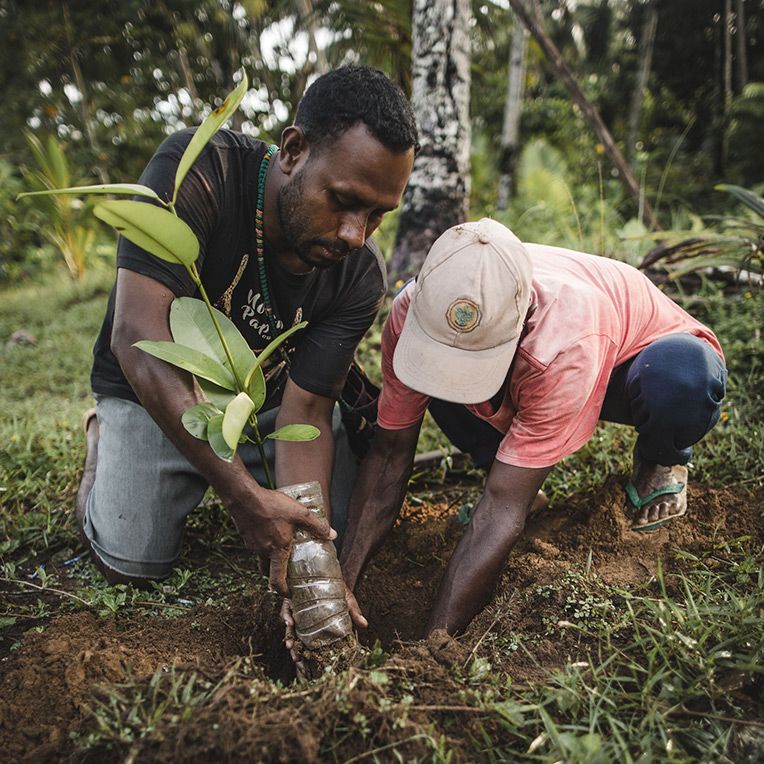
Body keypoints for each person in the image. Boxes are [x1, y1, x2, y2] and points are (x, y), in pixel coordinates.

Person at [75, 66, 418, 596]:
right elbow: (134, 334)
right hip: (154, 390)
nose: (355, 234)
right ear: (293, 149)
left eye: (377, 214)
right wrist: (241, 496)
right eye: (344, 201)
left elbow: (307, 410)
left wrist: (310, 567)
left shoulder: (359, 273)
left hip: (264, 408)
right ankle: (103, 438)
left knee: (332, 530)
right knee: (131, 562)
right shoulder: (200, 173)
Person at [340, 218, 727, 636]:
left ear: (523, 318)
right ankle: (501, 461)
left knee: (679, 376)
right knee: (438, 377)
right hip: (532, 360)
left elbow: (503, 507)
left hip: (634, 363)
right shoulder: (416, 311)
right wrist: (340, 586)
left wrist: (436, 643)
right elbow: (389, 454)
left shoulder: (565, 339)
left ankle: (659, 460)